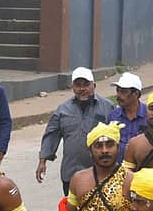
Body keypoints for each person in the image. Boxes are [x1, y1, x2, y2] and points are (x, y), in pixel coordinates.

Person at [37, 67, 115, 196]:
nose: (82, 89)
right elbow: (51, 135)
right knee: (70, 207)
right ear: (73, 87)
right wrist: (43, 160)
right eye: (78, 85)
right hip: (71, 173)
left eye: (86, 84)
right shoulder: (63, 110)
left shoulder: (108, 107)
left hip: (100, 173)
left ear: (94, 85)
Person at [106, 72, 148, 164]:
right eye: (117, 91)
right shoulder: (113, 116)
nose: (118, 95)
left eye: (123, 92)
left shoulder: (149, 115)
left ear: (136, 94)